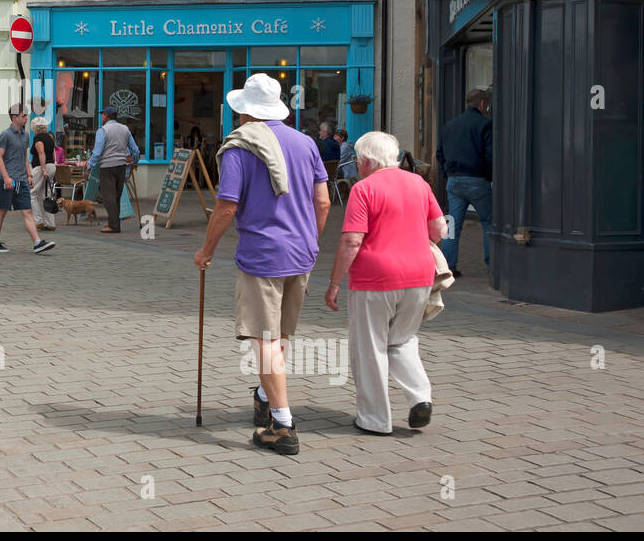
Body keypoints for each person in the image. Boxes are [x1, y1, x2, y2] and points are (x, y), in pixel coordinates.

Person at [193, 74, 331, 456]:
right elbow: (323, 202)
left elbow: (226, 206)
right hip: (301, 253)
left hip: (262, 255)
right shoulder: (306, 143)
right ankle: (263, 396)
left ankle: (283, 425)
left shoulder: (240, 148)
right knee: (280, 336)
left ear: (244, 111)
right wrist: (311, 240)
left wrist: (206, 250)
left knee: (265, 340)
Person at [324, 131, 447, 435]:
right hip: (418, 275)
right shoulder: (418, 183)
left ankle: (375, 419)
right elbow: (440, 230)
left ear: (366, 160)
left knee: (371, 347)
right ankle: (420, 397)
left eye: (357, 160)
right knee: (402, 340)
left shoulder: (364, 189)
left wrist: (335, 281)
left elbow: (352, 240)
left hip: (374, 278)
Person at [436, 88, 492, 278]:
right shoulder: (485, 124)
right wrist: (489, 176)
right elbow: (490, 155)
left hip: (454, 180)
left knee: (452, 225)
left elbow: (440, 154)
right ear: (483, 103)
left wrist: (448, 173)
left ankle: (448, 266)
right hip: (477, 180)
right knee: (489, 221)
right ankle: (492, 263)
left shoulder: (449, 125)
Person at [0, 104, 54, 255]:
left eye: (26, 115)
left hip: (22, 180)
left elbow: (25, 157)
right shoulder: (5, 135)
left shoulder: (25, 135)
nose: (26, 118)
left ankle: (37, 242)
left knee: (27, 211)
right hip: (7, 179)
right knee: (2, 210)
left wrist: (29, 175)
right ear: (14, 117)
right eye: (23, 116)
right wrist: (6, 177)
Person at [87, 106, 140, 234]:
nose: (101, 117)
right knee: (116, 195)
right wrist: (134, 163)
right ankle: (113, 223)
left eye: (102, 115)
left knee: (108, 197)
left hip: (107, 166)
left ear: (107, 116)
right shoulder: (125, 129)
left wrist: (89, 166)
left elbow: (97, 152)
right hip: (121, 166)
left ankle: (114, 226)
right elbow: (135, 150)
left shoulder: (103, 130)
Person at [29, 116, 58, 232]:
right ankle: (50, 223)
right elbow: (53, 155)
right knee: (46, 195)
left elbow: (41, 153)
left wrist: (43, 169)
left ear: (35, 127)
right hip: (51, 166)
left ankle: (38, 221)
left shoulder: (38, 138)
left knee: (31, 193)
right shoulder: (50, 138)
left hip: (41, 168)